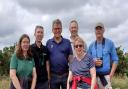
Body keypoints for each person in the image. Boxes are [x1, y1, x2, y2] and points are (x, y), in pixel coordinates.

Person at [88, 22, 119, 89]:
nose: (98, 30)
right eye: (97, 29)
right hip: (94, 78)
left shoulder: (110, 43)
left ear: (103, 30)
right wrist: (93, 62)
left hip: (106, 77)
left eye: (100, 28)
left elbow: (115, 60)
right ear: (95, 31)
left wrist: (111, 75)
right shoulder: (91, 45)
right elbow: (87, 61)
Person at [46, 19, 73, 89]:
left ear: (61, 29)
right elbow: (47, 61)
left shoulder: (67, 42)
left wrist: (71, 73)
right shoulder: (48, 43)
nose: (57, 30)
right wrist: (48, 75)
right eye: (55, 29)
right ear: (52, 30)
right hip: (53, 76)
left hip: (65, 75)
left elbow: (71, 60)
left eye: (59, 28)